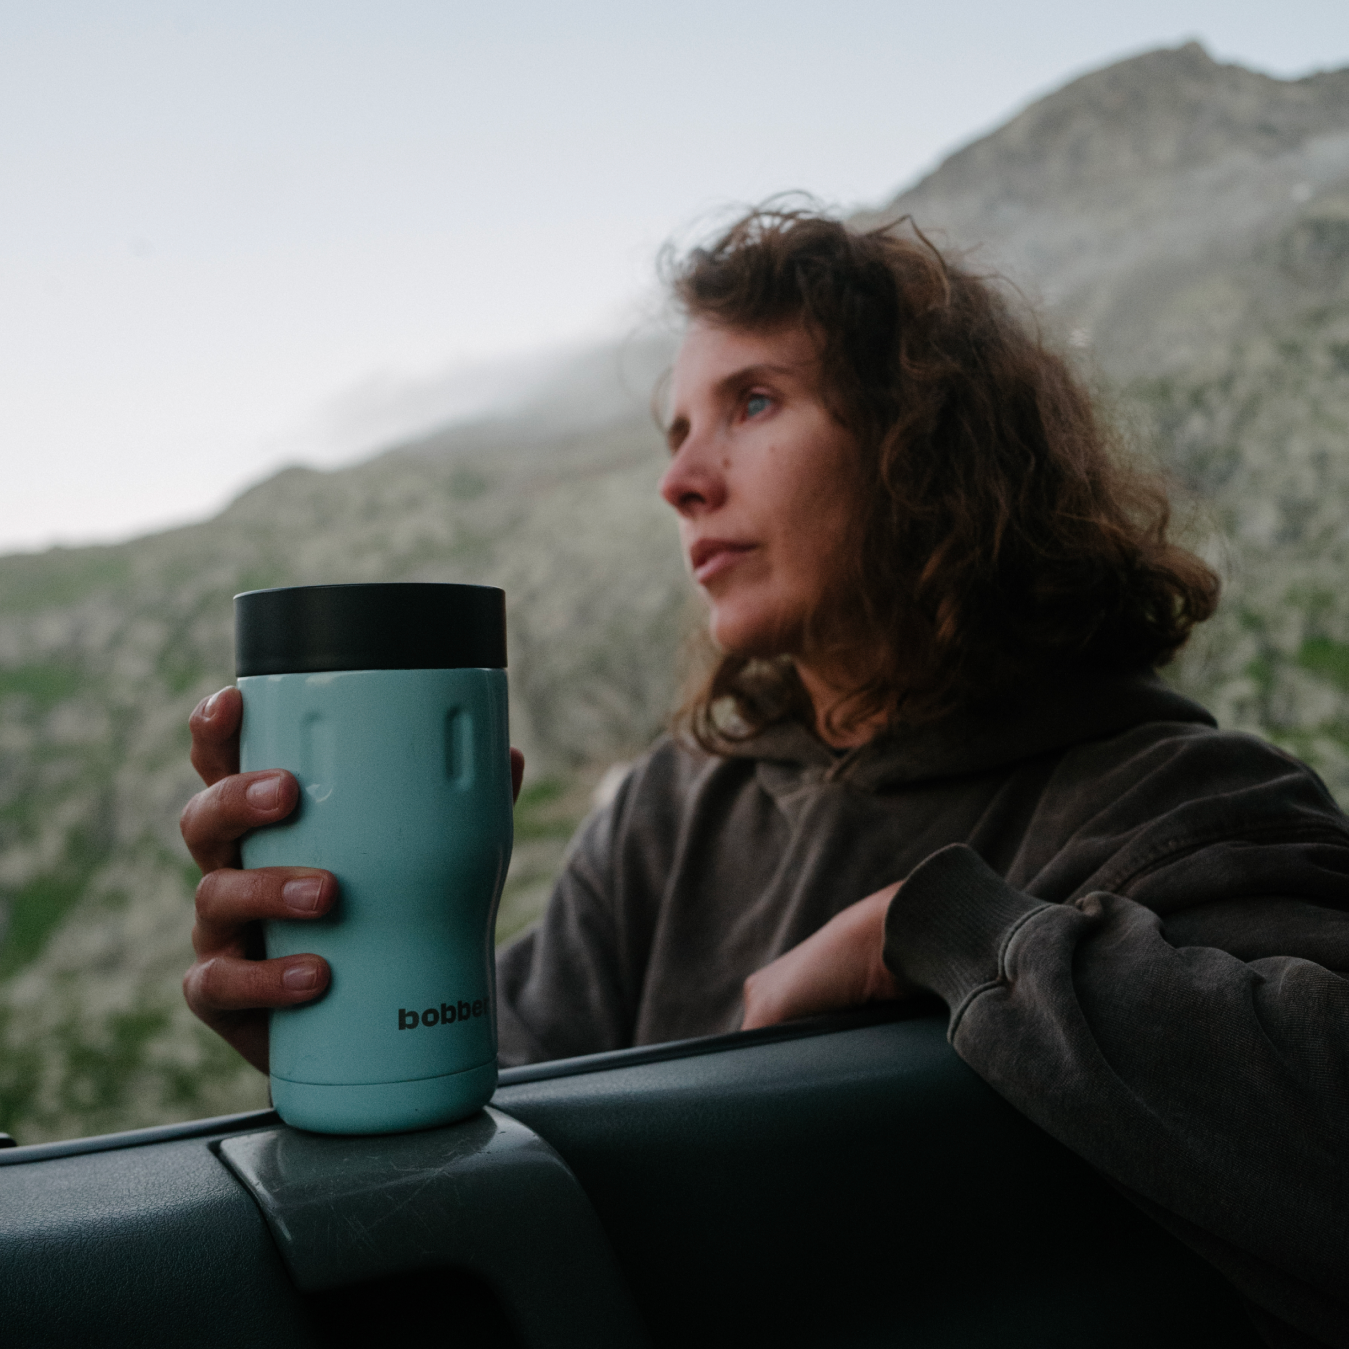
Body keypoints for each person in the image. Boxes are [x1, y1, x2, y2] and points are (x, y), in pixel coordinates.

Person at [181, 208, 1349, 1347]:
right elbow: (510, 1113)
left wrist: (931, 927)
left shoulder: (1173, 801)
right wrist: (342, 1028)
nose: (680, 480)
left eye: (751, 401)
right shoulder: (671, 808)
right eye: (674, 431)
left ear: (924, 443)